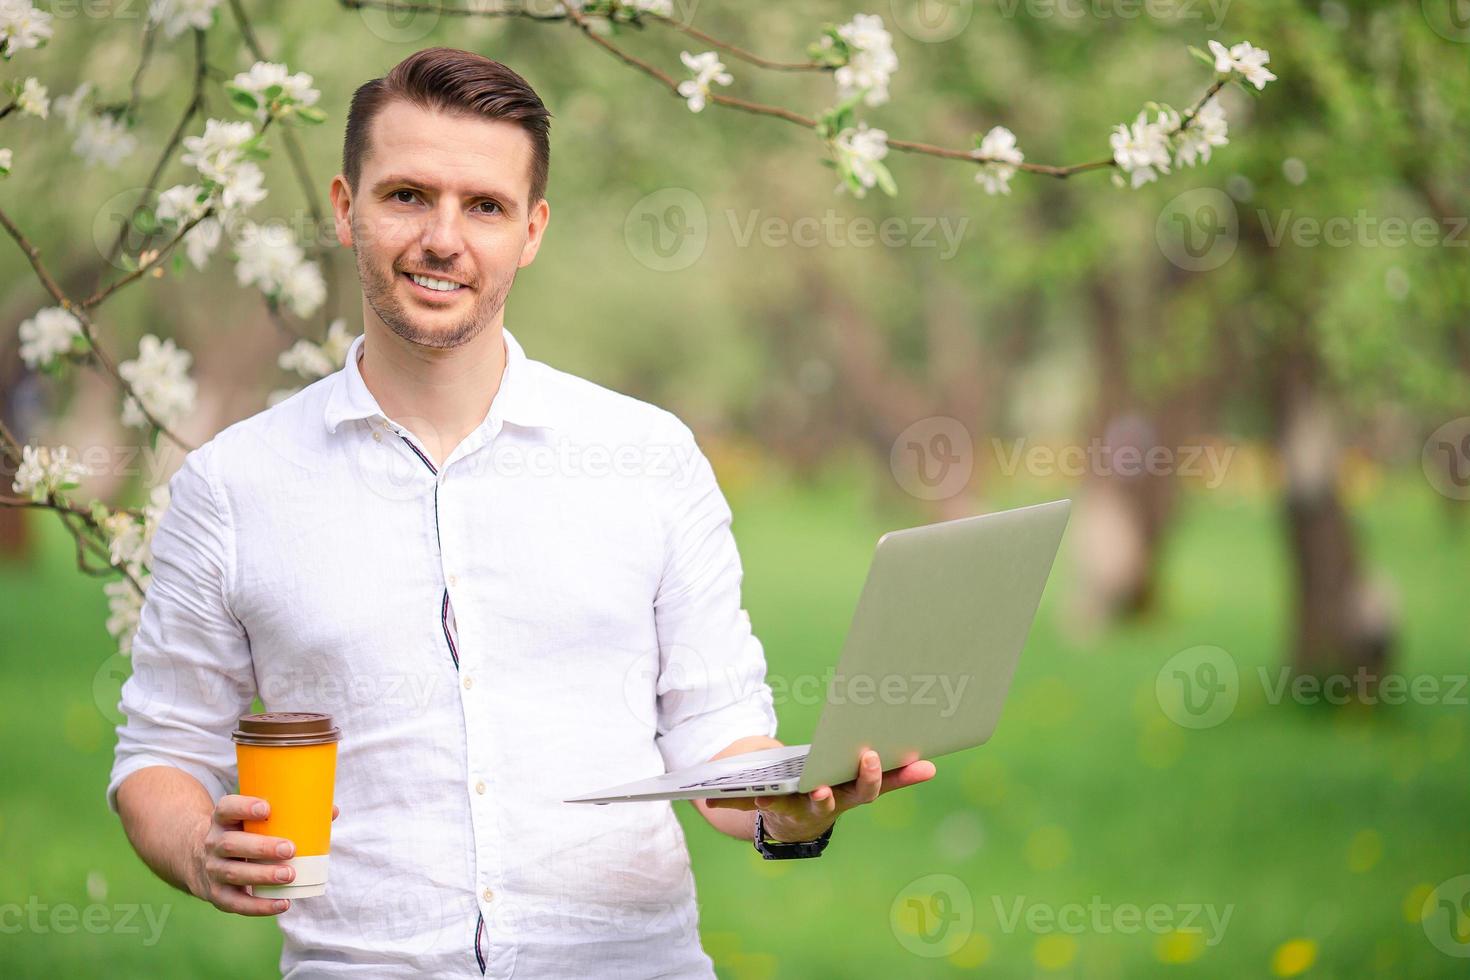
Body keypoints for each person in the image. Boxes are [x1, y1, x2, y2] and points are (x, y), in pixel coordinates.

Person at [108, 47, 935, 978]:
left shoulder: (649, 458)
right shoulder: (232, 486)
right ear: (345, 207)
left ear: (532, 229)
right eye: (408, 195)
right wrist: (198, 845)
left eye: (485, 206)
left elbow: (716, 739)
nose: (443, 239)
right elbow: (160, 753)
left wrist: (783, 807)